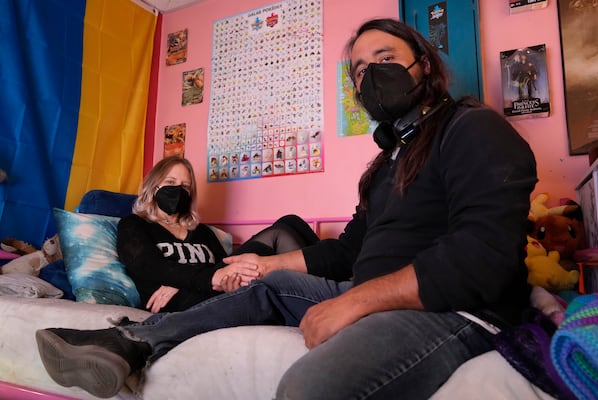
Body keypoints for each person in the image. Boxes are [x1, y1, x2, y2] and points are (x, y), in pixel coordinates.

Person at [35, 18, 537, 399]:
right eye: (359, 70)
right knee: (269, 284)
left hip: (454, 309)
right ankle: (133, 344)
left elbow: (484, 254)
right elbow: (346, 253)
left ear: (423, 64)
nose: (370, 76)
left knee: (305, 388)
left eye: (383, 57)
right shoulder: (388, 163)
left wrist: (356, 302)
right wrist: (268, 265)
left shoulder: (471, 128)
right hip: (373, 290)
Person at [117, 155, 319, 313]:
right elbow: (148, 266)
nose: (178, 190)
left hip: (210, 288)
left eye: (185, 186)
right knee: (280, 233)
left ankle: (325, 292)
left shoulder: (202, 231)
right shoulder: (134, 224)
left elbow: (224, 265)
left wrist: (219, 280)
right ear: (153, 188)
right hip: (175, 303)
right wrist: (192, 281)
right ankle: (321, 296)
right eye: (170, 182)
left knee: (291, 223)